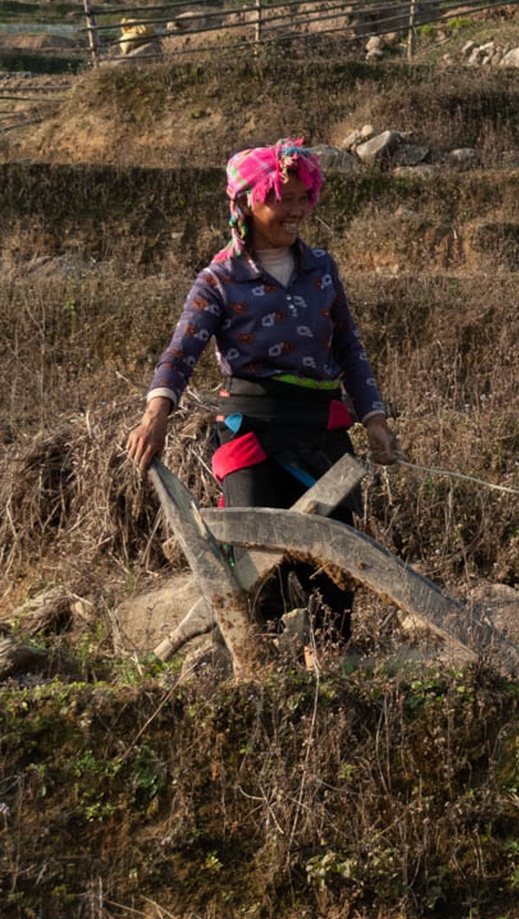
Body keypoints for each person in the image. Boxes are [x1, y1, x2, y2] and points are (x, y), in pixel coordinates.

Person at [126, 138, 400, 642]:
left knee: (336, 571)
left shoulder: (322, 270)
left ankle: (331, 669)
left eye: (303, 199)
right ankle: (264, 675)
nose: (296, 211)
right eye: (283, 199)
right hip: (251, 432)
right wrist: (156, 412)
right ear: (247, 202)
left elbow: (349, 349)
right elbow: (181, 351)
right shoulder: (219, 280)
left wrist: (375, 420)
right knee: (256, 569)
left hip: (321, 430)